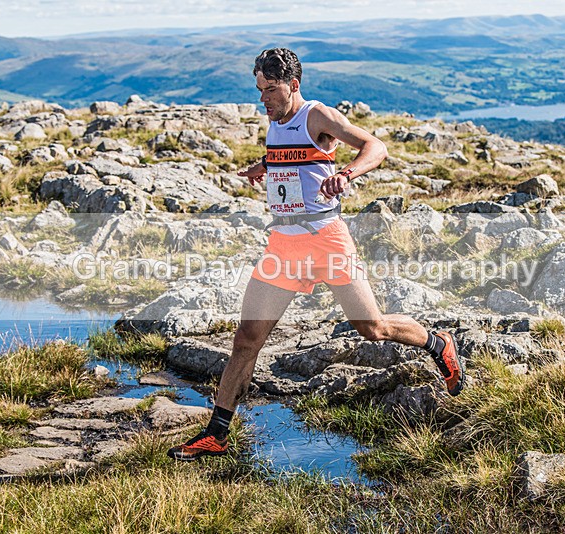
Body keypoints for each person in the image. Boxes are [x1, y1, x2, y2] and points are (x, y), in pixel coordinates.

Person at [168, 48, 464, 461]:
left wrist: (346, 173)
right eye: (259, 89)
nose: (263, 98)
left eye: (270, 89)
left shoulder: (317, 116)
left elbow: (375, 146)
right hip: (284, 245)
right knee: (246, 340)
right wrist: (265, 167)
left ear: (293, 85)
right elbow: (290, 158)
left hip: (326, 238)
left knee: (372, 328)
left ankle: (438, 343)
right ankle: (216, 434)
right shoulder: (274, 121)